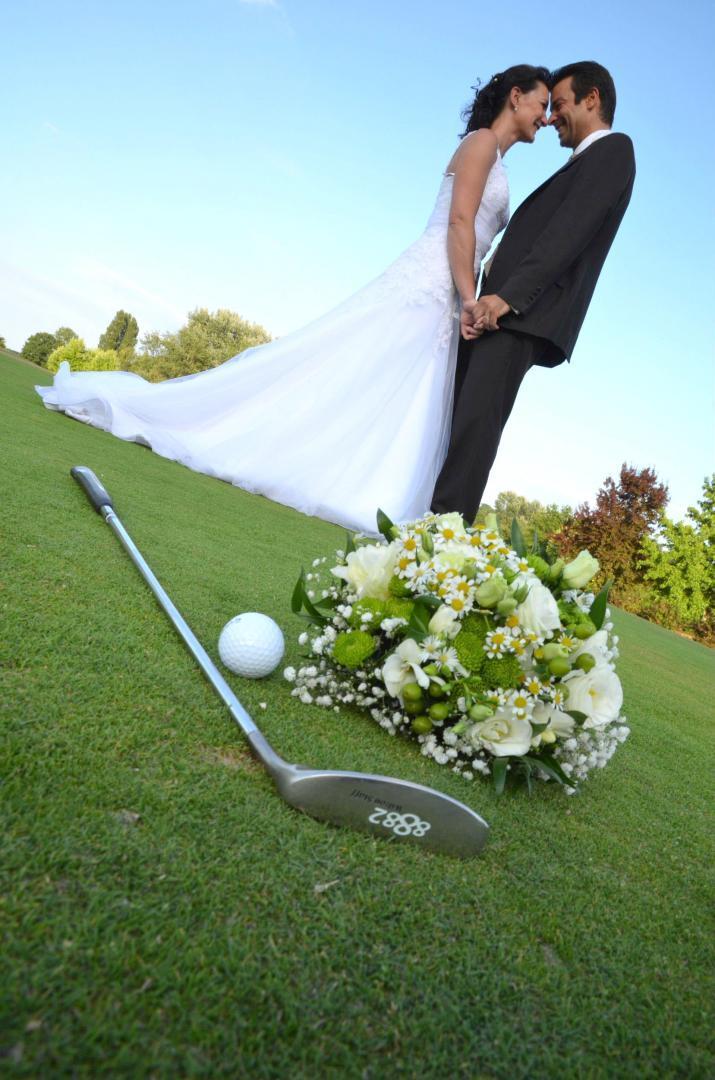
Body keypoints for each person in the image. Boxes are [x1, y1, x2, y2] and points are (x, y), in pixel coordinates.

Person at [37, 65, 550, 535]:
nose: (545, 118)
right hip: (434, 280)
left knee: (386, 381)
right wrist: (467, 297)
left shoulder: (499, 159)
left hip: (451, 288)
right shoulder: (482, 142)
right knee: (350, 363)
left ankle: (362, 480)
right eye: (542, 104)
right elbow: (460, 221)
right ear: (515, 96)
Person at [431, 61, 636, 520]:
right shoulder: (582, 162)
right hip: (500, 314)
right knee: (462, 419)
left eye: (559, 104)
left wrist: (507, 298)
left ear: (592, 99)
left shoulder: (615, 150)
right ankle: (430, 524)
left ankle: (442, 534)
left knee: (476, 427)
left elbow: (568, 233)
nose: (552, 116)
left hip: (519, 316)